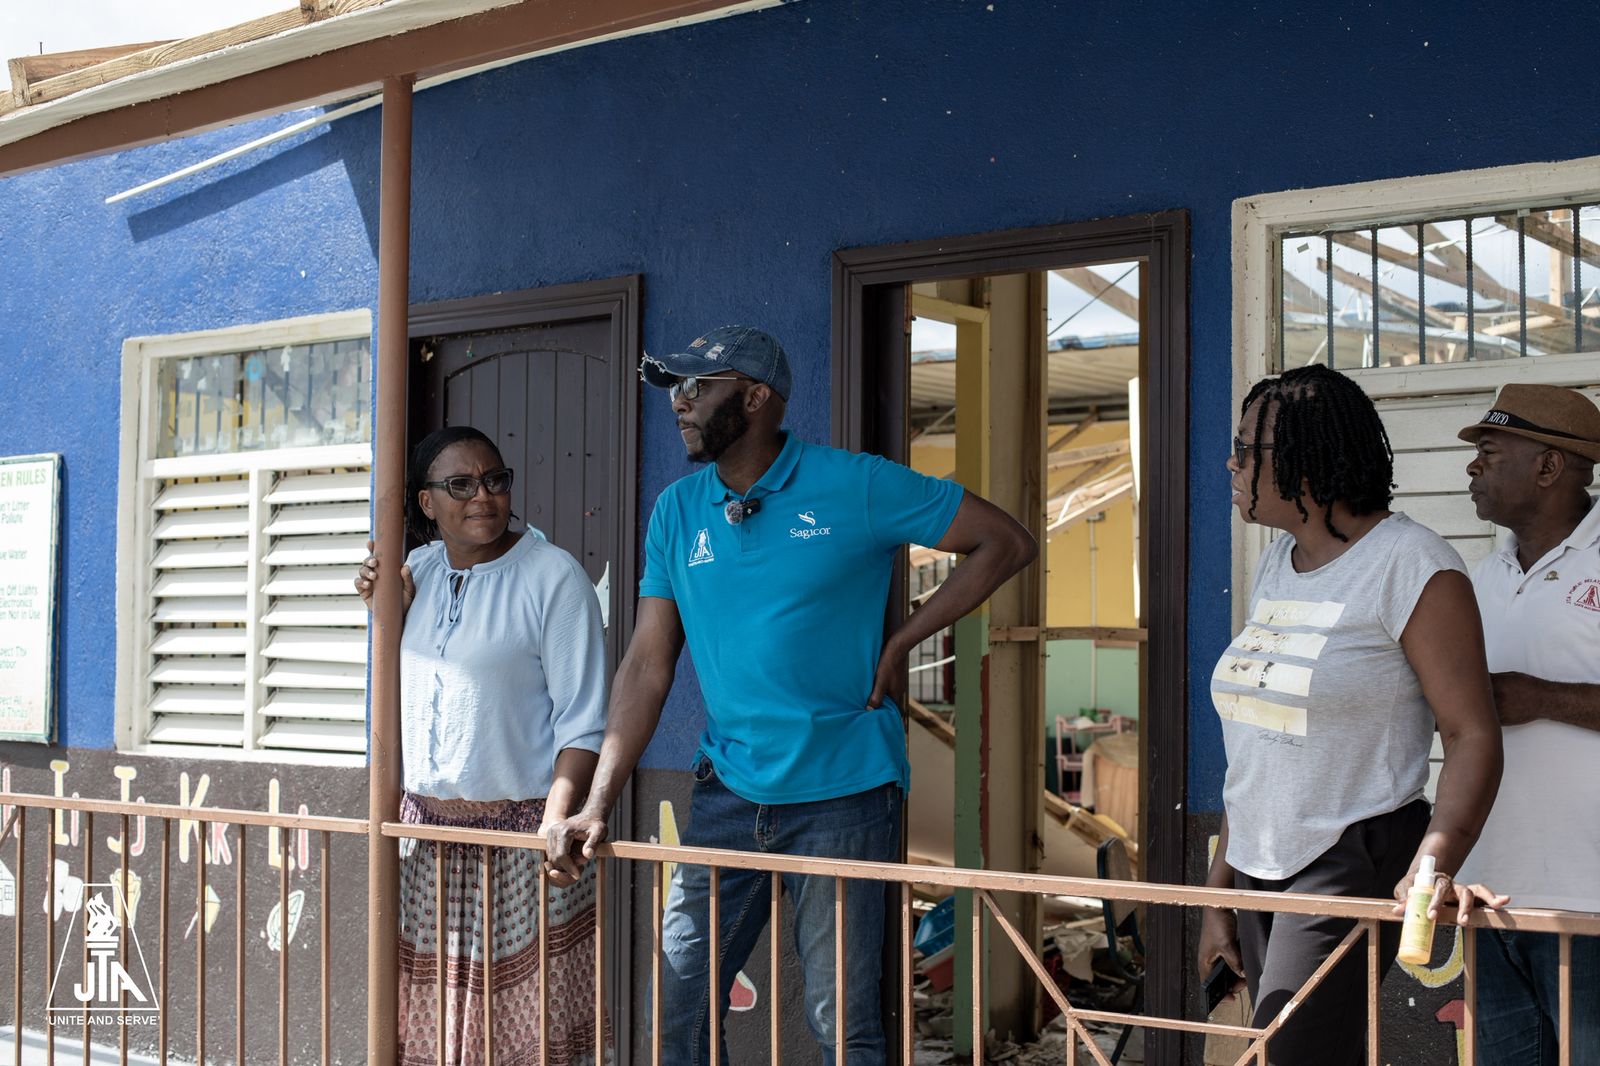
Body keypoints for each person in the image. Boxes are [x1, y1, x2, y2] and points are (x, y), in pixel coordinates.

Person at [541, 325, 1036, 1065]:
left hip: (844, 793)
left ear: (755, 397)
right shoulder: (677, 510)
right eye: (674, 388)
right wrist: (595, 802)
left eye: (696, 386)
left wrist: (904, 638)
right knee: (676, 1009)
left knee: (841, 1024)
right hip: (728, 791)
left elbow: (1006, 541)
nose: (678, 402)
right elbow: (646, 665)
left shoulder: (858, 484)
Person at [1197, 363, 1504, 1066]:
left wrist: (1433, 863)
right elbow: (1258, 746)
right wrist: (1217, 893)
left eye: (1246, 449)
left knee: (1289, 1054)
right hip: (1258, 861)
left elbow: (1470, 732)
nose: (1231, 463)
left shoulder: (1412, 563)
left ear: (1306, 461)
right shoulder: (1277, 563)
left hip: (1350, 852)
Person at [354, 425, 611, 1066]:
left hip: (521, 844)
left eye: (496, 480)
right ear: (426, 502)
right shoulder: (418, 573)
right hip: (427, 842)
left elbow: (583, 722)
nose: (484, 496)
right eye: (461, 485)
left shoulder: (553, 578)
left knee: (519, 1037)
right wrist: (385, 608)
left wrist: (555, 821)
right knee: (431, 1030)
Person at [1455, 384, 1600, 1064]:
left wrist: (1544, 697)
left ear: (1548, 466)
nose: (1472, 466)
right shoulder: (1480, 577)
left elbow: (1531, 699)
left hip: (1589, 903)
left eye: (1489, 451)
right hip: (1489, 897)